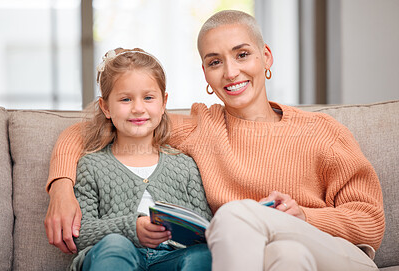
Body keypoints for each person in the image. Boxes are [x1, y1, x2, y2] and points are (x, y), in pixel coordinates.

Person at [45, 10, 385, 271]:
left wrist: (305, 218)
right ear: (205, 74)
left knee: (237, 217)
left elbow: (371, 222)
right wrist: (61, 186)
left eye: (242, 55)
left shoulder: (323, 131)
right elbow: (92, 128)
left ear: (265, 57)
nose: (231, 72)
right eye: (214, 62)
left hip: (334, 254)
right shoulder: (200, 127)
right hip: (271, 257)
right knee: (284, 254)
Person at [65, 47, 212, 271]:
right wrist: (132, 228)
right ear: (105, 107)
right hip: (118, 256)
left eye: (148, 98)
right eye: (125, 99)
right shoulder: (92, 166)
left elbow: (205, 227)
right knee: (115, 245)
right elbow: (81, 233)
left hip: (171, 260)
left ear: (163, 103)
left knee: (202, 255)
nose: (138, 108)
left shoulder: (185, 165)